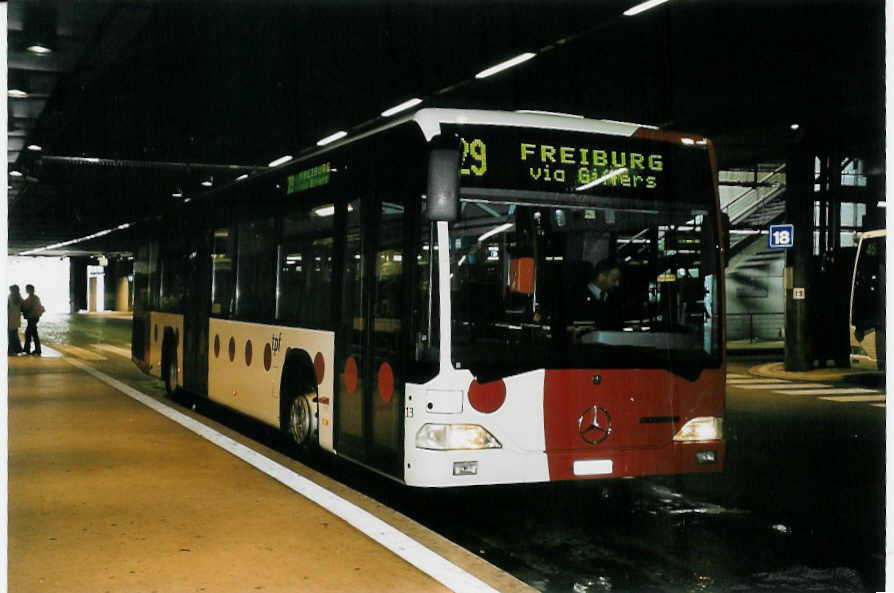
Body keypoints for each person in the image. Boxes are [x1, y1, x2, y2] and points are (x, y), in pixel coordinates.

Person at [577, 258, 623, 328]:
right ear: (601, 277)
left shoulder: (613, 299)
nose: (617, 284)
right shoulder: (578, 298)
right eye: (614, 280)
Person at [21, 284, 44, 356]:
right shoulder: (34, 298)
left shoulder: (32, 298)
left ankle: (32, 349)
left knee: (31, 334)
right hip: (34, 318)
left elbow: (28, 307)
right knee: (31, 334)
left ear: (30, 290)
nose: (26, 290)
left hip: (32, 318)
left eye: (27, 289)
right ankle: (32, 349)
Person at [8, 285, 23, 355]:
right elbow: (24, 306)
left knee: (11, 335)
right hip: (15, 318)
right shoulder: (18, 297)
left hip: (10, 318)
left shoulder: (11, 297)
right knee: (14, 334)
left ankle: (12, 351)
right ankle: (18, 349)